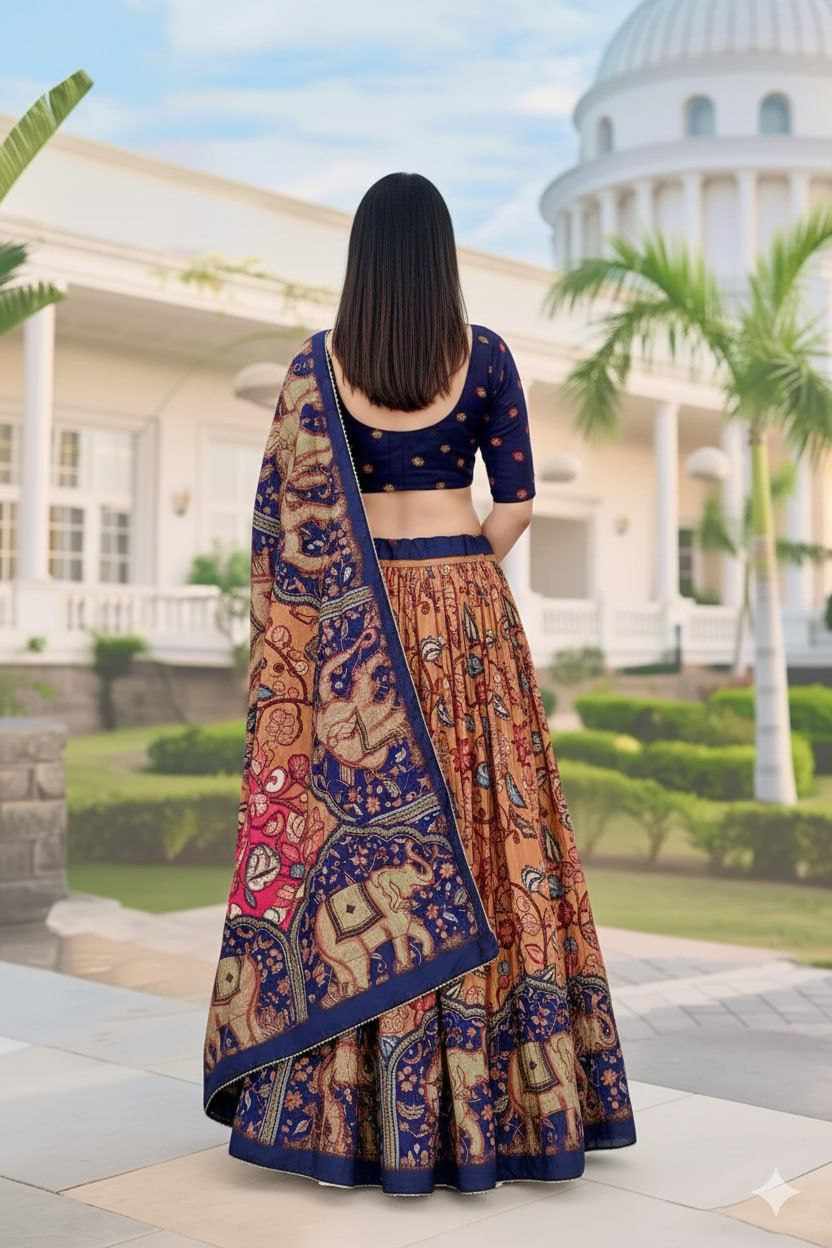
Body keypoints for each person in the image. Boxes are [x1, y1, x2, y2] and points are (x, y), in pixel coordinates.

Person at [203, 171, 637, 1196]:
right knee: (492, 829)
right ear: (441, 256)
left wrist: (363, 603)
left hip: (358, 626)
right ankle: (506, 1109)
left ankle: (355, 1113)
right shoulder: (485, 355)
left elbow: (285, 530)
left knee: (361, 841)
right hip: (467, 608)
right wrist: (461, 577)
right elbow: (516, 502)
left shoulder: (317, 367)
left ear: (363, 259)